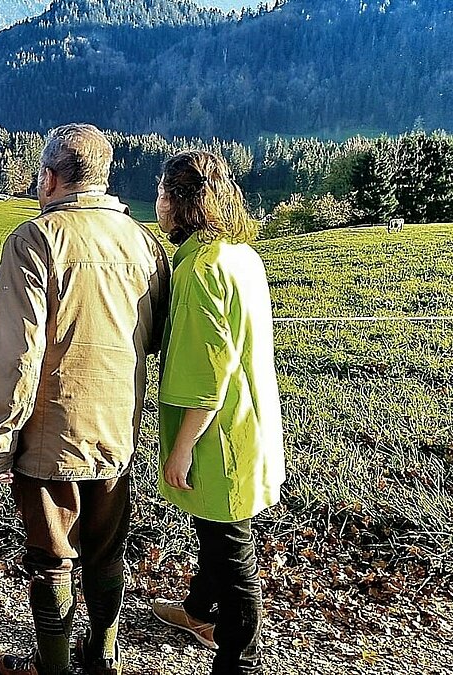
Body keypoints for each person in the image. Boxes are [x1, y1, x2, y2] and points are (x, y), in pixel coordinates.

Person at [0, 124, 170, 675]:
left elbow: (16, 354)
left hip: (49, 433)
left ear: (50, 178)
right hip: (120, 429)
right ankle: (104, 653)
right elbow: (155, 334)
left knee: (52, 556)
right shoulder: (143, 241)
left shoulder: (35, 240)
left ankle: (54, 662)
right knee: (107, 552)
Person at [150, 150, 285, 675]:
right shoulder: (239, 254)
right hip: (250, 422)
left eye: (162, 194)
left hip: (219, 433)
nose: (157, 204)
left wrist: (181, 447)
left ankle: (241, 659)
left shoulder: (200, 273)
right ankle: (197, 611)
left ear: (180, 204)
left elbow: (209, 377)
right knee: (215, 528)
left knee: (233, 552)